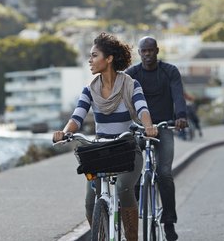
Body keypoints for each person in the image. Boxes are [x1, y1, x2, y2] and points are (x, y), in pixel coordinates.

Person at [52, 32, 158, 241]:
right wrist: (65, 132)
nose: (90, 61)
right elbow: (77, 117)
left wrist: (149, 127)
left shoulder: (130, 84)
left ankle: (131, 238)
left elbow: (142, 109)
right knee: (91, 202)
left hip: (127, 149)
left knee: (124, 188)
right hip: (101, 151)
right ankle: (101, 235)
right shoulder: (90, 90)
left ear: (108, 59)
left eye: (94, 55)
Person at [125, 36, 188, 241]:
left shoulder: (169, 71)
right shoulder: (132, 74)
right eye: (143, 51)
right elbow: (123, 98)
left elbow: (178, 94)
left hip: (164, 127)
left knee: (164, 173)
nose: (147, 54)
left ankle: (168, 222)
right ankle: (131, 215)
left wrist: (180, 116)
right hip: (140, 129)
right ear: (139, 53)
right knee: (131, 172)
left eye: (150, 50)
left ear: (157, 51)